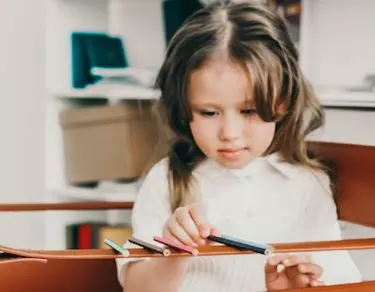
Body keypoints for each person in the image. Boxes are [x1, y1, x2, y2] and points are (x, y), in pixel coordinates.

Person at [116, 1, 362, 291]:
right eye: (209, 113)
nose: (230, 134)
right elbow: (136, 287)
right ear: (185, 110)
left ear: (282, 102)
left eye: (249, 111)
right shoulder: (167, 179)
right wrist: (172, 254)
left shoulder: (308, 184)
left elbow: (337, 279)